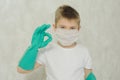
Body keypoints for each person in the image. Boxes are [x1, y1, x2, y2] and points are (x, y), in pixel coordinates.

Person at [17, 5, 96, 80]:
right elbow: (21, 70)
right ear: (54, 27)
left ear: (78, 29)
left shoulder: (84, 51)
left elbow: (88, 74)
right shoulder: (47, 51)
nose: (67, 32)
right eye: (63, 27)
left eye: (72, 28)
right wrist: (33, 48)